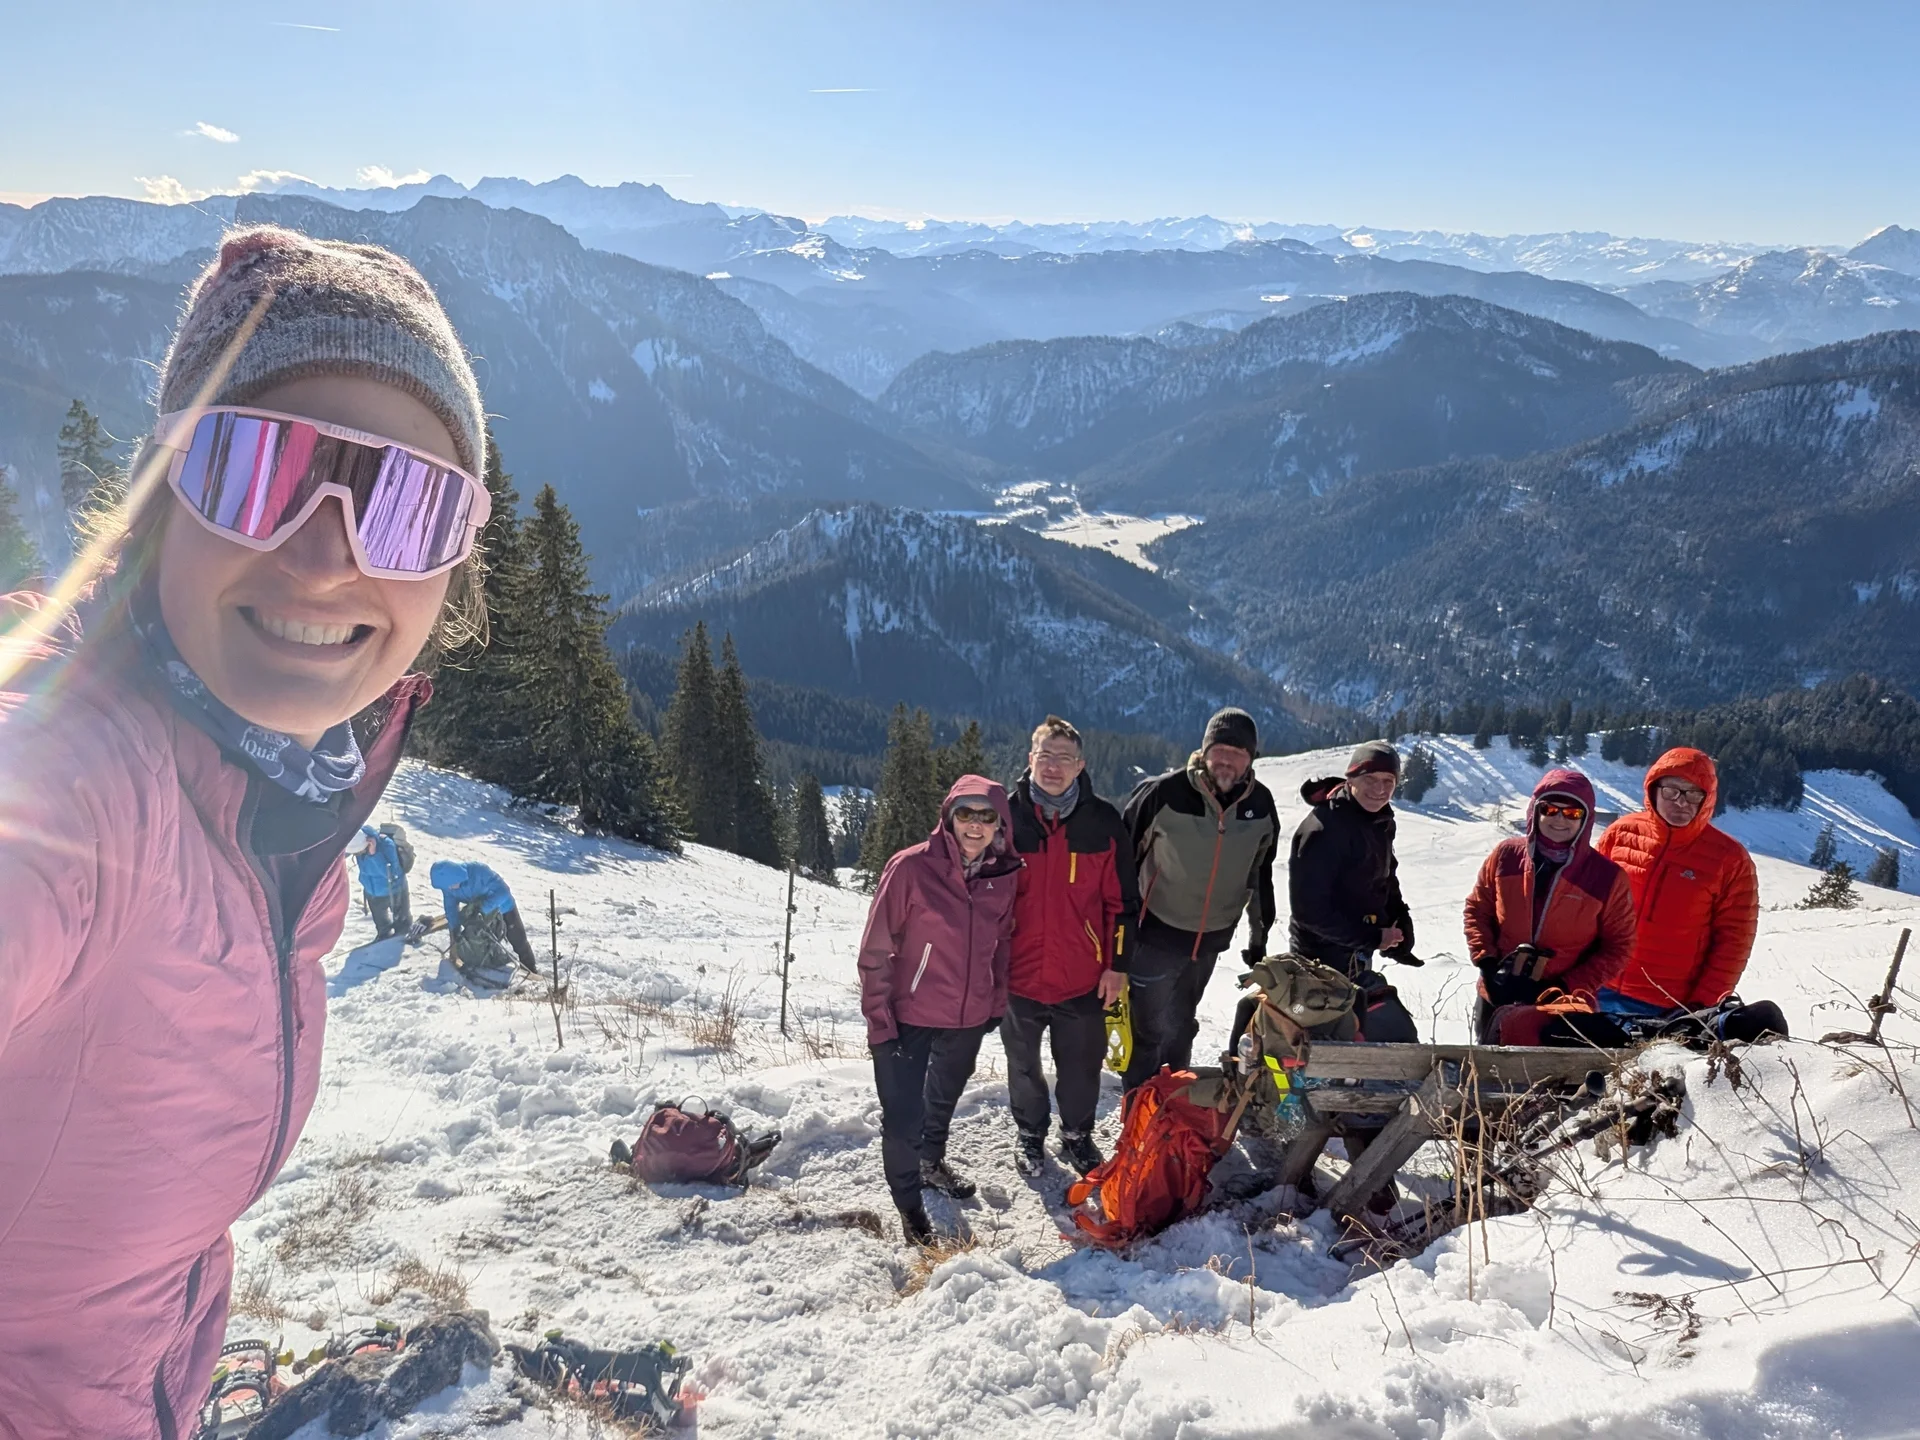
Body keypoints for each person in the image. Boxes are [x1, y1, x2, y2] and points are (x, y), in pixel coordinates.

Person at [0, 226, 489, 1435]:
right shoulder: (72, 774)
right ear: (161, 497)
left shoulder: (285, 800)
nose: (323, 558)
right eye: (257, 467)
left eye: (408, 504)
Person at [857, 776, 1021, 1244]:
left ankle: (930, 1164)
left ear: (1000, 824)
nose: (975, 824)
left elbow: (1002, 943)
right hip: (908, 1016)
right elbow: (875, 950)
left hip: (968, 1017)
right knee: (902, 1119)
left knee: (942, 1100)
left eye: (986, 816)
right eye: (965, 813)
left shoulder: (1003, 875)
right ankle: (910, 1209)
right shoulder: (911, 867)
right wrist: (880, 1022)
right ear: (949, 817)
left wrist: (995, 1001)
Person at [1001, 716, 1140, 1178]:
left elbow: (1123, 904)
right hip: (1018, 975)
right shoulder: (1005, 818)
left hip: (1082, 977)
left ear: (1080, 766)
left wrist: (1117, 966)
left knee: (1081, 1068)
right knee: (1023, 1065)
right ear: (1030, 759)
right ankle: (1030, 1132)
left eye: (1064, 758)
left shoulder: (1103, 823)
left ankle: (1077, 1134)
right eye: (1045, 756)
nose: (1053, 767)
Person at [1121, 707, 1281, 1092]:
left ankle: (1173, 1104)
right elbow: (1121, 865)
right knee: (1147, 1029)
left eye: (1237, 753)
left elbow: (1260, 875)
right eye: (1219, 750)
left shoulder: (1261, 806)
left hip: (1210, 939)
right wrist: (1119, 929)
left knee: (1181, 1024)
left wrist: (1258, 937)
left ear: (1251, 759)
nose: (1226, 760)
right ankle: (1138, 1109)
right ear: (1204, 751)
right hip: (1155, 934)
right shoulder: (1163, 793)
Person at [1593, 748, 1773, 1040]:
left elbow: (1733, 943)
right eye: (1671, 791)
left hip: (1666, 1008)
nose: (1681, 802)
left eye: (1693, 794)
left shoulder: (1729, 859)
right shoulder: (1620, 834)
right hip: (1596, 990)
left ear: (1707, 798)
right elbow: (1589, 907)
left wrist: (1699, 1007)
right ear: (1653, 789)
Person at [1463, 769, 1637, 1044]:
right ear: (1535, 811)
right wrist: (1487, 963)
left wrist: (1565, 985)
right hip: (1497, 992)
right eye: (1550, 809)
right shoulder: (1506, 856)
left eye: (1572, 813)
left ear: (1586, 818)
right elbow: (1478, 910)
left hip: (1563, 1004)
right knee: (1488, 1064)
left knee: (1551, 1069)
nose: (1559, 819)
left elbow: (1618, 947)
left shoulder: (1606, 878)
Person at [1288, 740, 1423, 1044]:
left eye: (1388, 781)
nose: (1379, 789)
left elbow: (1385, 876)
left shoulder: (1379, 820)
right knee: (1325, 1048)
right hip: (1318, 963)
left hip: (1356, 957)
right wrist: (1373, 937)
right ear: (1351, 779)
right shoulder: (1323, 829)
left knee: (1361, 1037)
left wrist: (1398, 919)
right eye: (1370, 779)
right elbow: (1309, 911)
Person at [429, 859, 542, 974]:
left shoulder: (479, 871)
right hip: (481, 917)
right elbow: (451, 908)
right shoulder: (448, 887)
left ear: (455, 876)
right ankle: (487, 966)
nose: (450, 889)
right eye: (448, 887)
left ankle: (530, 970)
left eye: (451, 885)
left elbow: (503, 891)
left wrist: (483, 909)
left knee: (518, 940)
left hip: (504, 908)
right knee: (479, 941)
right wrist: (455, 929)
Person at [355, 825, 412, 941]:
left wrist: (374, 855)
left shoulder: (387, 845)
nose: (358, 854)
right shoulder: (357, 845)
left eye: (360, 851)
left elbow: (391, 873)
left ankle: (403, 941)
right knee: (381, 925)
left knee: (403, 923)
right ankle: (383, 936)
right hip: (372, 891)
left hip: (394, 889)